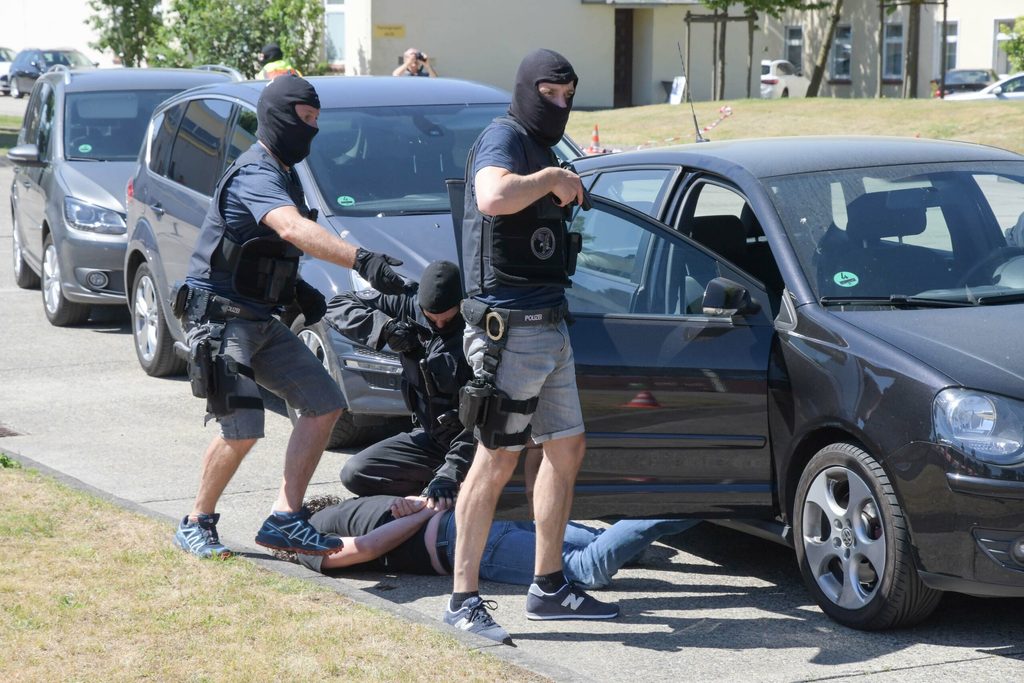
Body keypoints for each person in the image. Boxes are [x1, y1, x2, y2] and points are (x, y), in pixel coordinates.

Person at [172, 74, 407, 560]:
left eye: (317, 120)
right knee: (243, 426)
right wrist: (361, 260)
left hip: (258, 318)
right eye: (305, 119)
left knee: (324, 403)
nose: (311, 130)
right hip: (219, 320)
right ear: (278, 118)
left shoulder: (284, 172)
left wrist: (295, 289)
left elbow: (264, 247)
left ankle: (285, 519)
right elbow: (292, 229)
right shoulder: (256, 173)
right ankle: (196, 521)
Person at [446, 48, 601, 645]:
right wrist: (553, 179)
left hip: (550, 322)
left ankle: (550, 586)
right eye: (550, 94)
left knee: (566, 448)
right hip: (506, 331)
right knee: (497, 458)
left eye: (568, 95)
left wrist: (568, 174)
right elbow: (491, 196)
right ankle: (462, 600)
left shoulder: (543, 145)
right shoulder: (504, 139)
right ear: (525, 90)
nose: (559, 105)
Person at [287, 493, 698, 646]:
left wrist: (429, 510)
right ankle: (684, 505)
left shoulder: (304, 539)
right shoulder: (352, 505)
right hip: (488, 514)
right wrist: (429, 504)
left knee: (583, 570)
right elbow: (405, 506)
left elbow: (369, 548)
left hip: (466, 540)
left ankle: (691, 504)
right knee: (597, 545)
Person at [323, 260, 473, 506]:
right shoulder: (407, 302)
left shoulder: (477, 330)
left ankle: (451, 490)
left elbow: (485, 424)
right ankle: (427, 495)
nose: (439, 326)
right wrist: (385, 328)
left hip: (474, 446)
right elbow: (337, 306)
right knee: (356, 473)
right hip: (432, 439)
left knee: (468, 490)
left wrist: (451, 472)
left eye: (447, 320)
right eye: (431, 319)